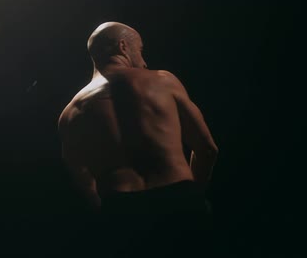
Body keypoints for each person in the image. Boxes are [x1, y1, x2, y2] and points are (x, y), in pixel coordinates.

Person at [58, 22, 219, 257]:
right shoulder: (163, 81)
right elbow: (207, 149)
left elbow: (85, 186)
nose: (144, 62)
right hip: (179, 203)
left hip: (123, 216)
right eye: (140, 51)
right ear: (123, 46)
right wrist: (194, 197)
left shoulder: (71, 113)